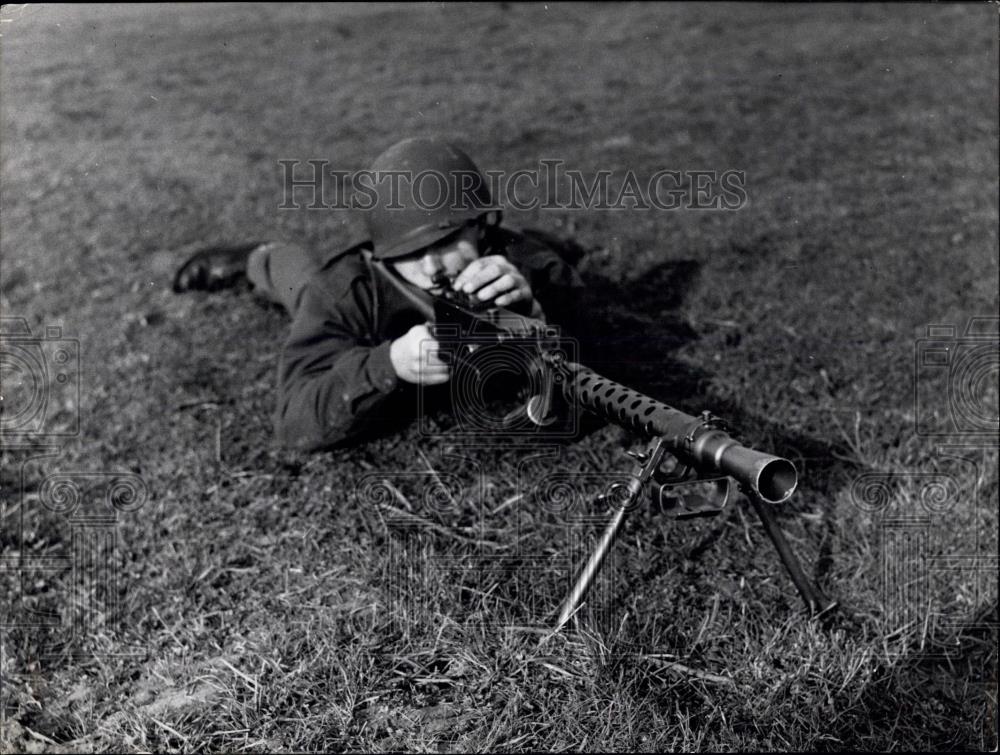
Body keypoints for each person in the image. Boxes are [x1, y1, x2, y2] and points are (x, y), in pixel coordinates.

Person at [173, 137, 585, 450]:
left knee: (543, 250)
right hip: (331, 293)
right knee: (298, 278)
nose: (432, 268)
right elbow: (293, 420)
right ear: (385, 256)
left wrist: (542, 313)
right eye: (410, 253)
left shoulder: (517, 262)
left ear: (480, 225)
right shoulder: (345, 293)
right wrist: (388, 365)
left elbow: (609, 347)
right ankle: (255, 258)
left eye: (445, 242)